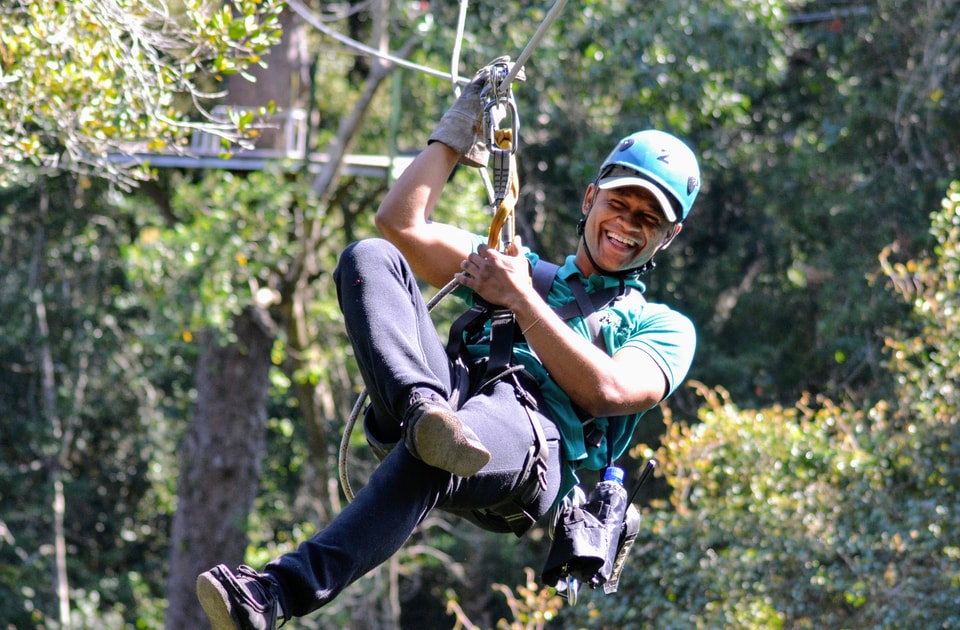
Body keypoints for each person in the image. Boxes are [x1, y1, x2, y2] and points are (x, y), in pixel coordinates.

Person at [195, 59, 701, 630]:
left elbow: (608, 389)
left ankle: (274, 593)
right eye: (619, 203)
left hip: (535, 439)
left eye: (649, 219)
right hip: (448, 393)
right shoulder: (523, 270)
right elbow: (401, 225)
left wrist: (517, 299)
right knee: (368, 258)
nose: (628, 223)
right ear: (589, 199)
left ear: (667, 236)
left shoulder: (662, 326)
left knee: (441, 452)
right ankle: (423, 411)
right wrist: (456, 133)